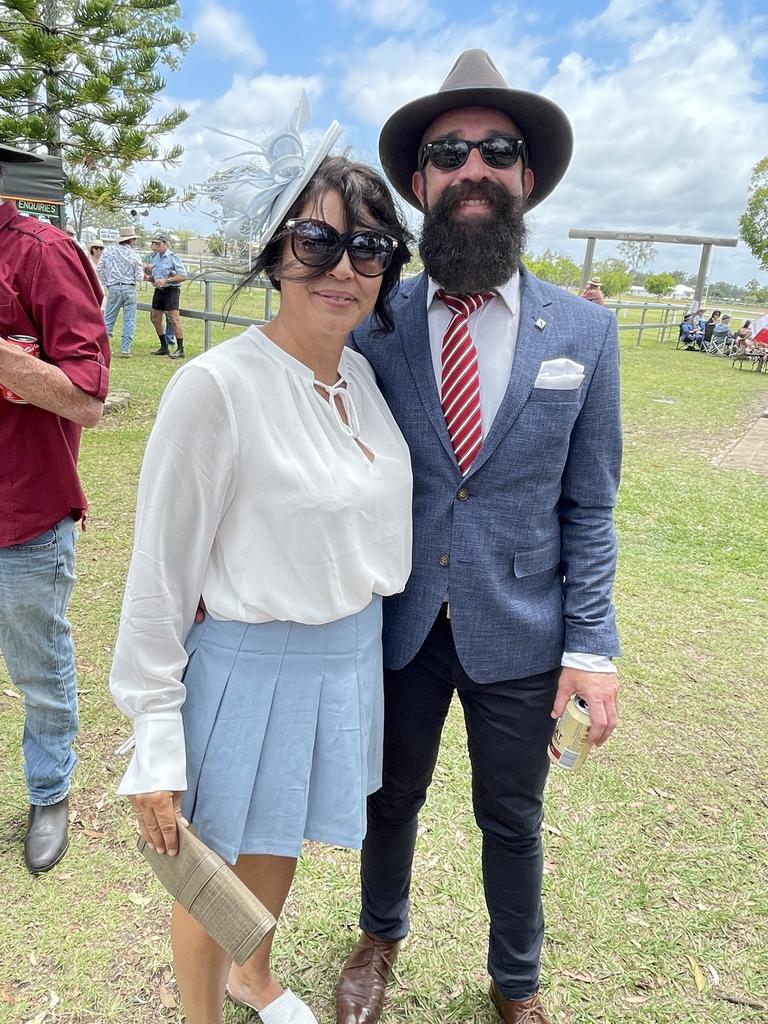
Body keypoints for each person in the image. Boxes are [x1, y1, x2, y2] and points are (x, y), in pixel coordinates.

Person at [109, 104, 413, 1024]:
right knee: (212, 878)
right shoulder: (217, 387)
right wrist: (154, 744)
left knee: (279, 841)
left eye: (370, 249)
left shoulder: (360, 376)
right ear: (276, 250)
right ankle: (205, 1011)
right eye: (317, 241)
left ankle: (255, 975)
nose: (343, 269)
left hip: (345, 658)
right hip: (252, 663)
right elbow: (159, 576)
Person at [335, 50, 621, 1024]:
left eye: (495, 149)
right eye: (446, 151)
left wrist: (592, 647)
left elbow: (590, 505)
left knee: (513, 816)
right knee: (390, 798)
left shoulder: (585, 336)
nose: (471, 168)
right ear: (418, 183)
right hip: (402, 620)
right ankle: (378, 936)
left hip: (522, 627)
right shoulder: (372, 324)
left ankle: (517, 983)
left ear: (525, 176)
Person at [0, 142, 110, 874]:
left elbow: (89, 397)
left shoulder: (41, 253)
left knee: (38, 664)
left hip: (22, 516)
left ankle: (49, 789)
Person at [99, 228, 144, 357]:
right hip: (129, 287)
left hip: (114, 287)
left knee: (109, 319)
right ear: (131, 240)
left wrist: (107, 282)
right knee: (129, 320)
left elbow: (100, 268)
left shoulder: (109, 251)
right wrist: (135, 280)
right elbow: (139, 275)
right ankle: (125, 348)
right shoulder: (134, 254)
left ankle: (104, 348)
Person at [145, 233, 187, 359]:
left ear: (164, 244)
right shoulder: (155, 258)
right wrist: (149, 278)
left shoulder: (173, 257)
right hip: (159, 290)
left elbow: (183, 275)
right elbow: (156, 277)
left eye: (157, 243)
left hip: (171, 290)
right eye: (153, 243)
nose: (154, 246)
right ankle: (164, 346)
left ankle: (180, 349)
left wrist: (166, 280)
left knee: (174, 319)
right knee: (155, 317)